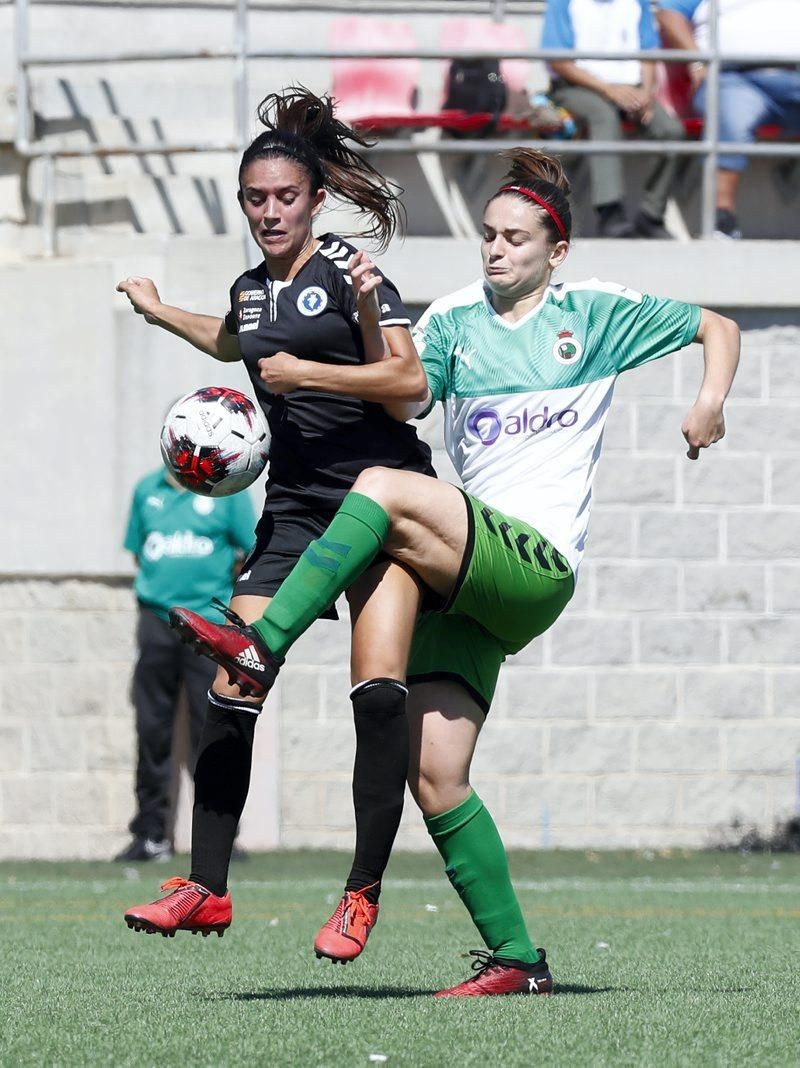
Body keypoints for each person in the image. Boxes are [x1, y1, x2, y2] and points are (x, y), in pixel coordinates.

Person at [170, 148, 741, 996]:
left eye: (516, 238)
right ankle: (517, 959)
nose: (496, 250)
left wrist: (709, 401)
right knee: (435, 773)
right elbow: (402, 396)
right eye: (487, 235)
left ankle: (264, 640)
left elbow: (716, 328)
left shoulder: (596, 311)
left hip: (532, 561)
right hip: (473, 576)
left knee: (382, 488)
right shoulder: (451, 321)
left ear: (558, 250)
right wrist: (364, 310)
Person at [118, 87, 434, 940]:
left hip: (382, 504)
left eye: (285, 196)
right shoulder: (252, 291)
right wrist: (157, 311)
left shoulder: (352, 275)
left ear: (315, 199)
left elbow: (410, 389)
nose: (269, 211)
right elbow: (232, 339)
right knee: (235, 683)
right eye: (255, 198)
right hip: (294, 510)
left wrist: (313, 374)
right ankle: (207, 887)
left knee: (375, 694)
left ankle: (362, 891)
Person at [115, 464, 255, 863]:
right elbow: (140, 553)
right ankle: (151, 834)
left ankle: (220, 836)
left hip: (208, 627)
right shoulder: (146, 490)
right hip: (157, 621)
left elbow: (251, 549)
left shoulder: (227, 490)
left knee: (211, 729)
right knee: (151, 729)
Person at [542, 0, 686, 238]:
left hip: (629, 89)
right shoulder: (563, 3)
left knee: (670, 130)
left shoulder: (636, 4)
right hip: (576, 88)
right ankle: (610, 212)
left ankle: (652, 214)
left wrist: (646, 94)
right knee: (604, 117)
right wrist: (610, 91)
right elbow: (559, 61)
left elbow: (648, 52)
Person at [657, 0, 800, 239]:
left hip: (793, 76)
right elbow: (668, 14)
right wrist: (698, 61)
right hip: (732, 76)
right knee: (729, 116)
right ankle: (722, 221)